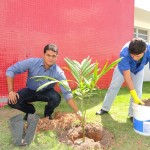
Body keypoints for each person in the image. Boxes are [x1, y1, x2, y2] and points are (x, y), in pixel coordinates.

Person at [6, 44, 82, 120]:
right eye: (48, 55)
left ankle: (47, 115)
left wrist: (78, 112)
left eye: (53, 56)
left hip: (46, 92)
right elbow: (11, 70)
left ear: (56, 57)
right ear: (43, 54)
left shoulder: (58, 72)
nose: (50, 58)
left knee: (56, 98)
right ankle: (30, 111)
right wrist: (11, 92)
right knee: (11, 101)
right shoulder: (32, 62)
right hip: (30, 90)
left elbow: (67, 93)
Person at [96, 38, 150, 120]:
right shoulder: (124, 52)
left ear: (145, 51)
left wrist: (136, 94)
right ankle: (105, 108)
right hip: (122, 70)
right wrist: (133, 95)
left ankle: (132, 114)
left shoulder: (149, 50)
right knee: (114, 87)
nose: (135, 58)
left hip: (138, 69)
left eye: (138, 56)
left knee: (138, 90)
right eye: (132, 56)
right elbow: (127, 77)